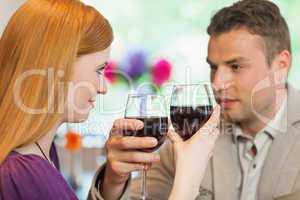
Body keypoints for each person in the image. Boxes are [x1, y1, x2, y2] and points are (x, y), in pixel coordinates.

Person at [89, 0, 300, 200]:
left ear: (280, 66)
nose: (217, 82)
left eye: (236, 66)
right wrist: (113, 180)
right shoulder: (189, 137)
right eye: (213, 67)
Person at [0, 0, 113, 199]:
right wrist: (186, 172)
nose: (103, 88)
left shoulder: (44, 153)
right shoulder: (23, 175)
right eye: (99, 70)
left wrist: (113, 180)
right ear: (60, 67)